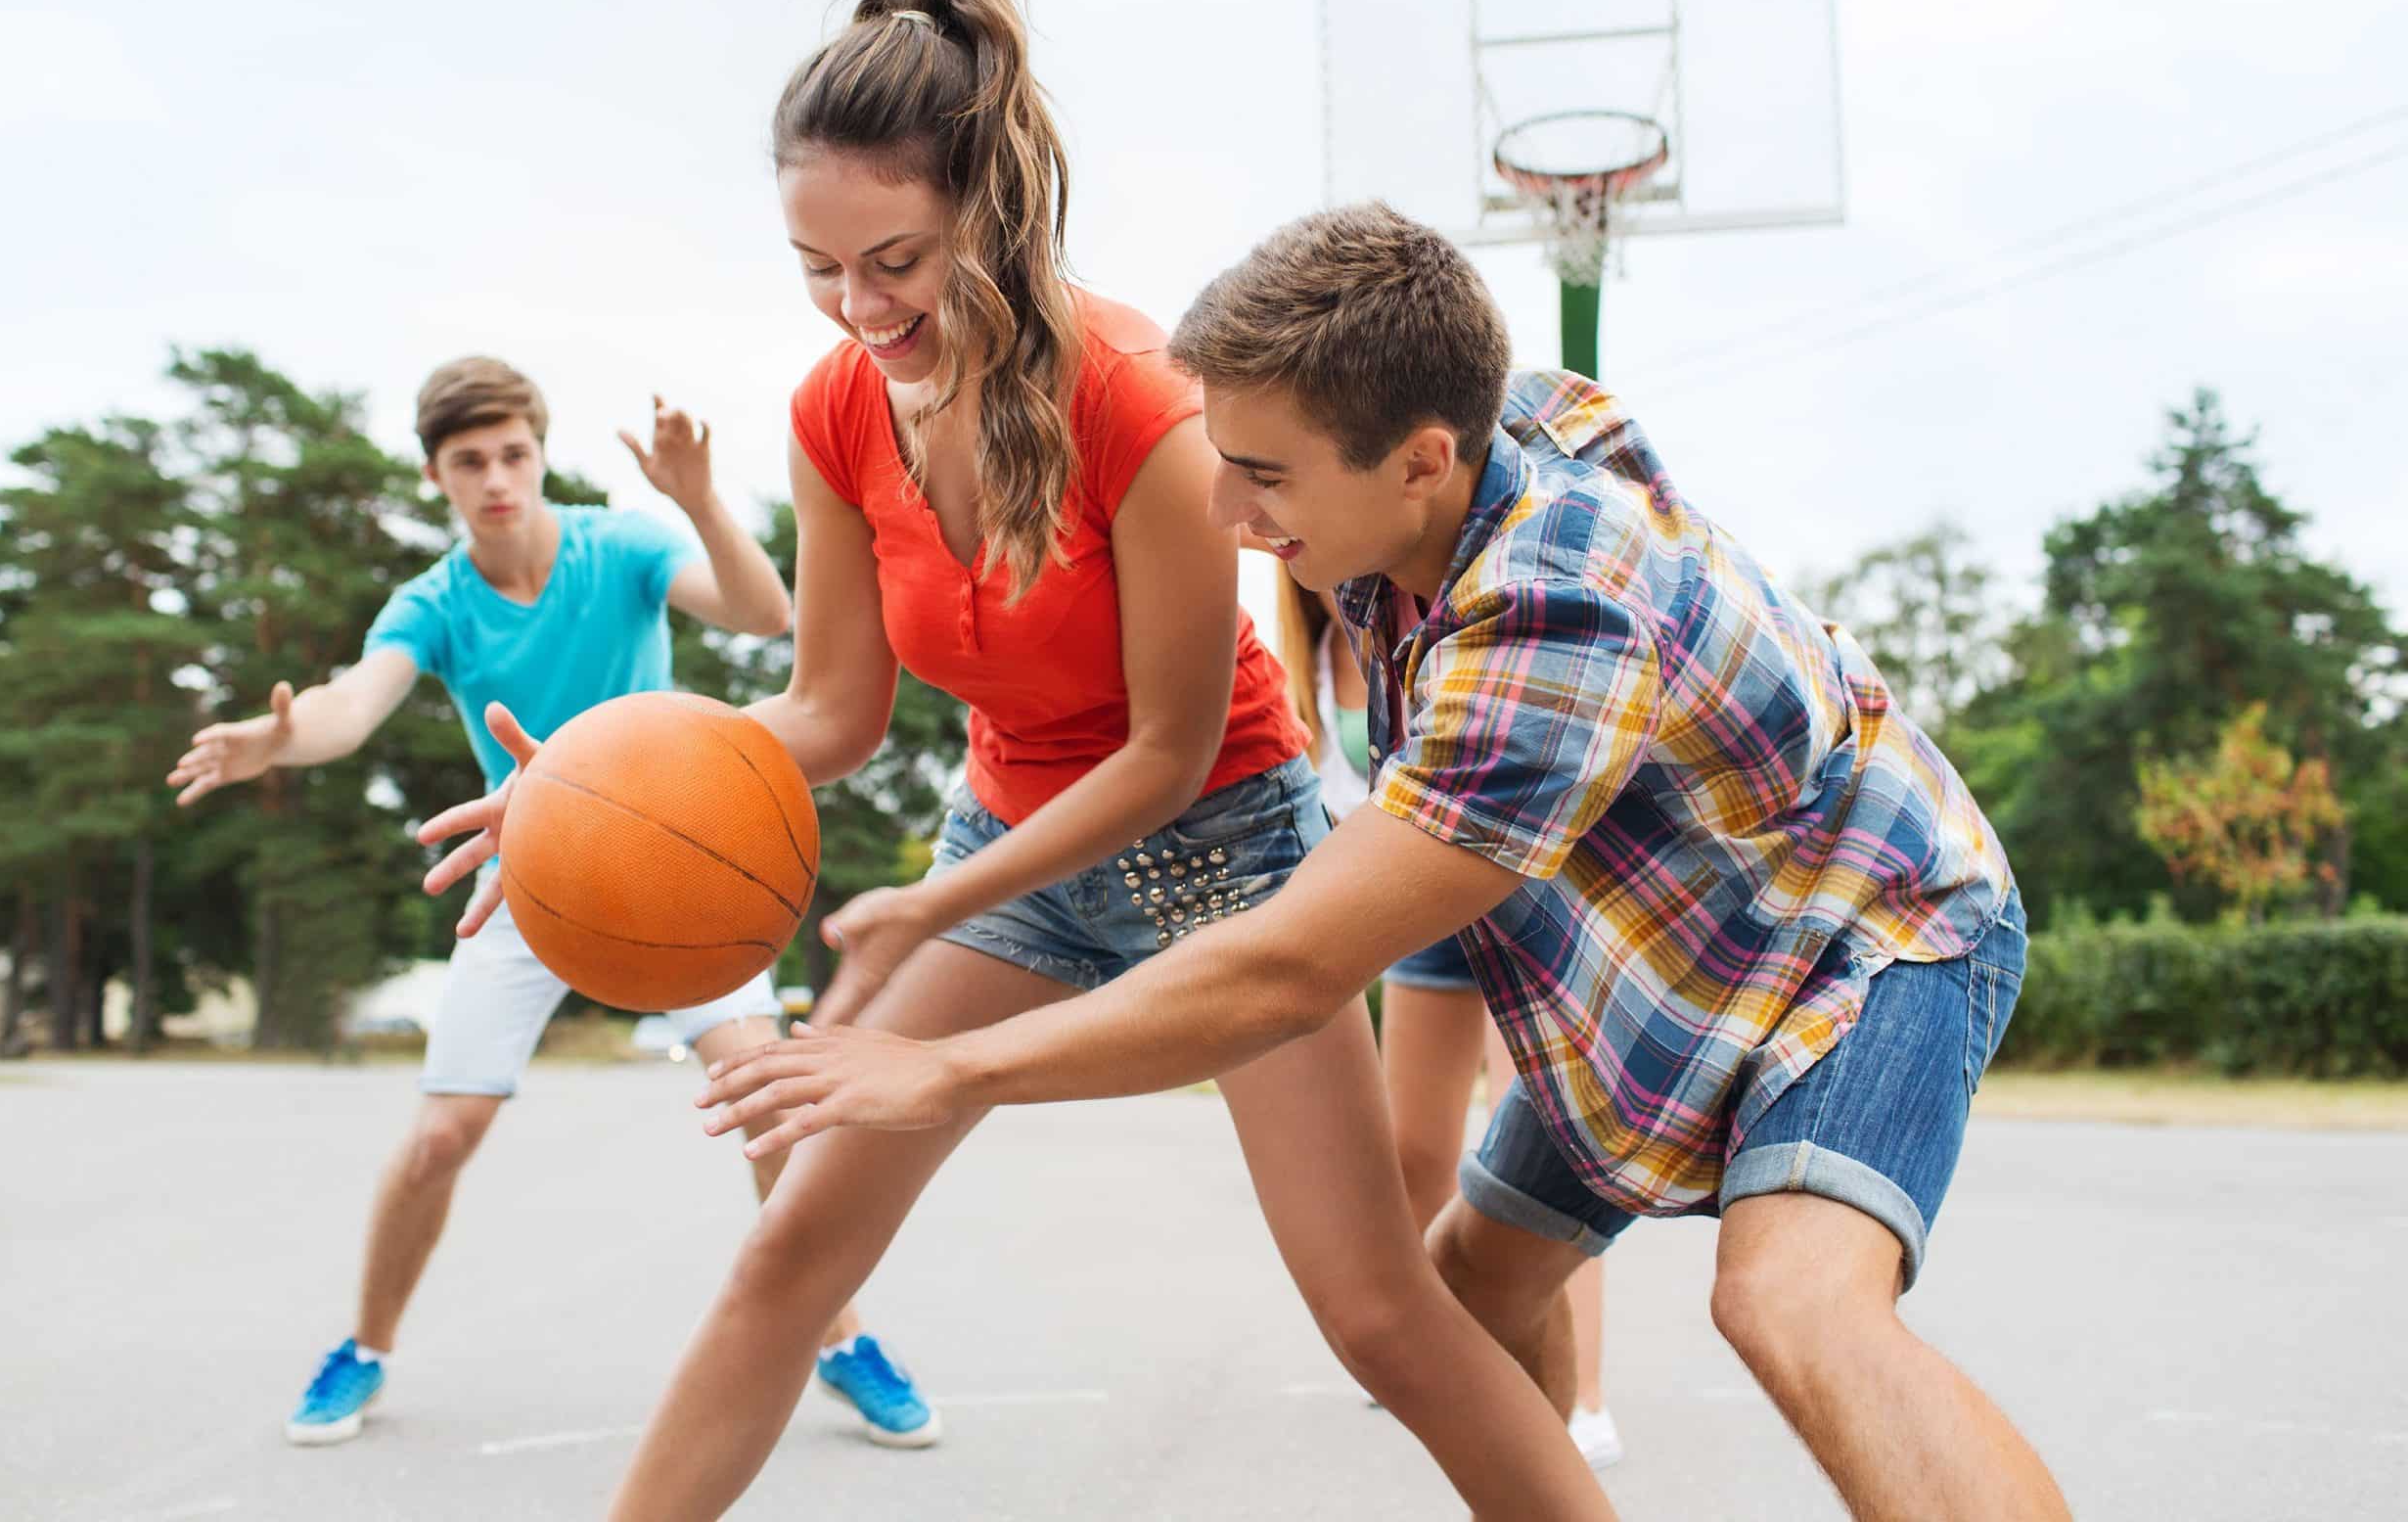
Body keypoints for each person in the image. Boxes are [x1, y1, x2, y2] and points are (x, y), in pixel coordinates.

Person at [418, 0, 1612, 1521]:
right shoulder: (836, 406)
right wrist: (583, 788)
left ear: (993, 201)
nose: (859, 307)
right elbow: (833, 708)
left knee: (1382, 1315)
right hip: (1011, 847)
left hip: (1229, 854)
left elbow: (1167, 751)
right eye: (817, 269)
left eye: (895, 260)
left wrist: (933, 899)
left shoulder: (1144, 400)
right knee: (789, 1252)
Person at [710, 203, 2072, 1521]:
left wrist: (945, 1068)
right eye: (1225, 460)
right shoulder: (1467, 431)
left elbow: (1287, 966)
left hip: (1858, 929)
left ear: (1421, 460)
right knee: (1468, 1301)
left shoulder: (1548, 625)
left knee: (1787, 1302)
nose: (1230, 515)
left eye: (1264, 478)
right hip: (1651, 962)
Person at [166, 361, 933, 1450]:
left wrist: (698, 496)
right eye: (470, 461)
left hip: (678, 868)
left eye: (513, 454)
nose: (497, 478)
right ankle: (364, 1346)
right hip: (525, 877)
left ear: (538, 451)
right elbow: (350, 705)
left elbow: (763, 614)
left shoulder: (617, 547)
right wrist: (280, 738)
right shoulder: (433, 601)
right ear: (436, 473)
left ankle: (840, 1335)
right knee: (441, 1135)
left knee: (766, 1099)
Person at [1277, 568, 1622, 1471]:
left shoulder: (1432, 613)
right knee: (1414, 1155)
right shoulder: (1306, 660)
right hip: (1415, 922)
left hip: (1521, 903)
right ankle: (1442, 1345)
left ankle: (1583, 1399)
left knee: (1545, 1163)